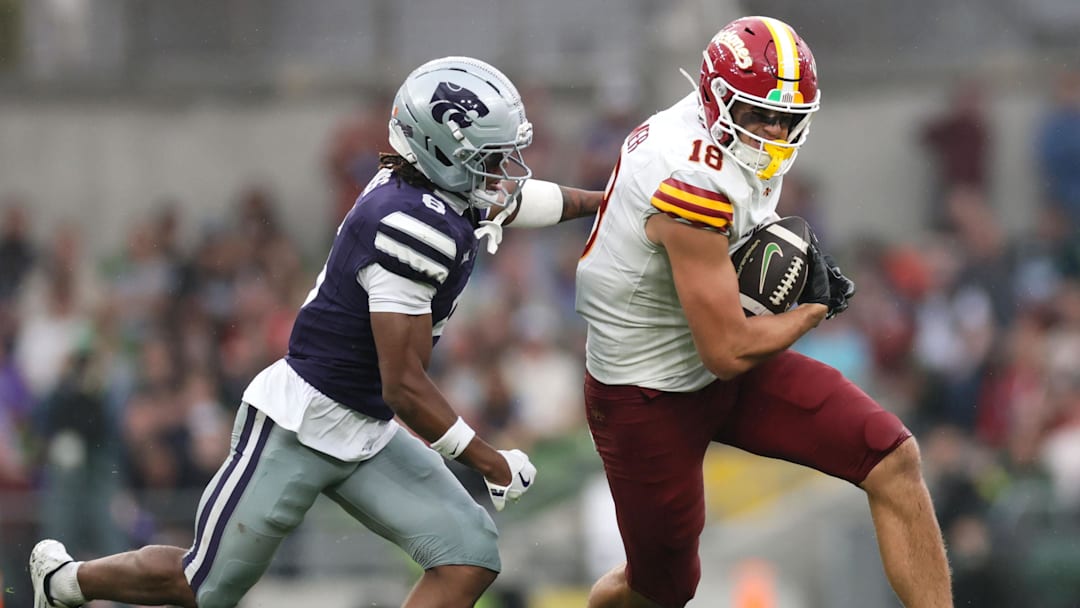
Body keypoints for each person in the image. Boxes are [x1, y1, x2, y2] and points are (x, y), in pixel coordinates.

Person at [29, 56, 600, 608]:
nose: (502, 172)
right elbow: (402, 384)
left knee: (469, 554)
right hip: (300, 424)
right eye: (489, 158)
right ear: (443, 151)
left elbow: (515, 201)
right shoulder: (410, 228)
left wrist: (608, 203)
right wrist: (489, 461)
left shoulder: (434, 191)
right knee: (203, 586)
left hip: (367, 429)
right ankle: (65, 582)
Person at [574, 17, 953, 608]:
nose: (773, 131)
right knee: (661, 589)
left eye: (787, 119)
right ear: (717, 98)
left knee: (892, 456)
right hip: (646, 392)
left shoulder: (723, 135)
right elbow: (725, 352)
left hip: (714, 357)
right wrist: (812, 307)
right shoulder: (689, 174)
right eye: (758, 114)